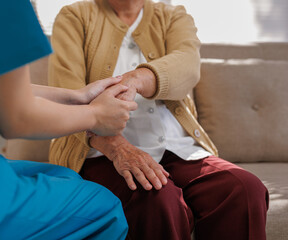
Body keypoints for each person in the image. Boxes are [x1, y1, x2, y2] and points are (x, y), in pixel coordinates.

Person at [47, 0, 269, 239]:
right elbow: (67, 94)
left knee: (243, 188)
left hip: (179, 148)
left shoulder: (173, 16)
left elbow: (187, 66)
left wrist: (135, 79)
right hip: (101, 150)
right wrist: (115, 146)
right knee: (156, 198)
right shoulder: (74, 16)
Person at [0, 0, 139, 239]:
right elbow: (17, 118)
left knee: (65, 177)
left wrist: (76, 96)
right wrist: (96, 115)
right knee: (104, 209)